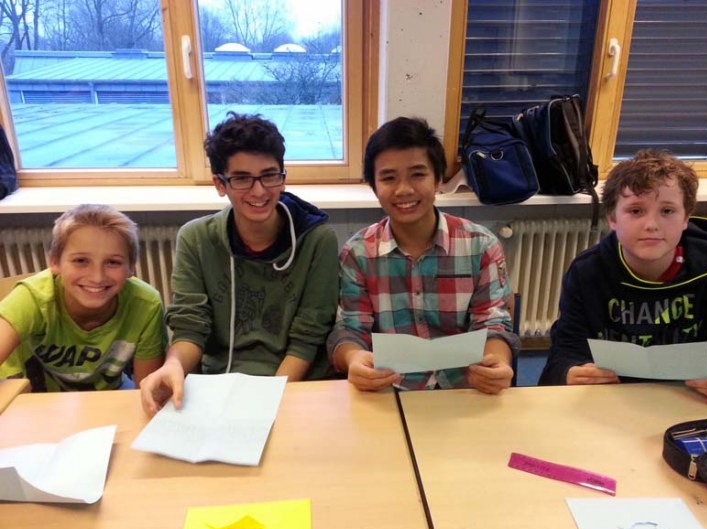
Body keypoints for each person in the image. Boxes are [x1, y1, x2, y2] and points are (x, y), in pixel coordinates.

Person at [140, 113, 339, 415]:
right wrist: (173, 364)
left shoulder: (317, 239)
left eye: (269, 175)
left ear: (283, 178)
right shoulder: (195, 238)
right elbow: (191, 326)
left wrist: (268, 402)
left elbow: (309, 336)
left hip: (294, 386)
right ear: (220, 184)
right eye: (242, 178)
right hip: (218, 386)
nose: (259, 191)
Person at [327, 116, 519, 393]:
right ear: (374, 187)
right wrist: (354, 359)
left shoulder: (481, 245)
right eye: (388, 178)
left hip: (465, 388)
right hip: (390, 388)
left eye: (418, 175)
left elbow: (492, 323)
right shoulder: (357, 253)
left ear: (439, 179)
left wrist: (496, 364)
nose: (404, 189)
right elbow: (350, 328)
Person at [540, 149, 707, 407]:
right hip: (610, 397)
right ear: (612, 218)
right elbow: (566, 349)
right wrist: (570, 371)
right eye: (636, 211)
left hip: (694, 396)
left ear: (686, 218)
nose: (651, 225)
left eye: (667, 211)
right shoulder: (587, 272)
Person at [0, 204, 166, 392]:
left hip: (109, 395)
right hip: (38, 398)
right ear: (54, 261)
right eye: (81, 261)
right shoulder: (32, 298)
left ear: (131, 267)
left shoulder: (146, 304)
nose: (97, 277)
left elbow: (147, 391)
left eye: (113, 262)